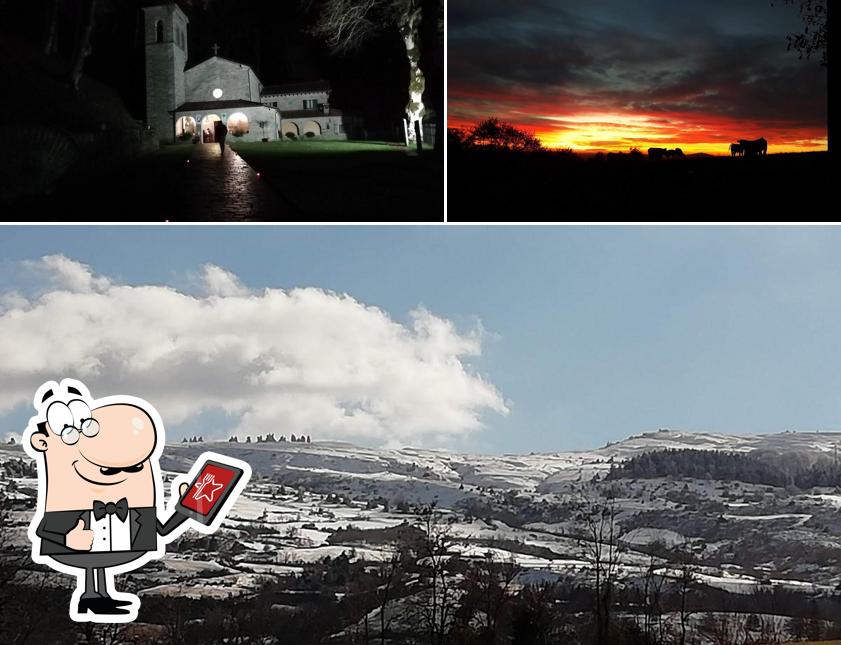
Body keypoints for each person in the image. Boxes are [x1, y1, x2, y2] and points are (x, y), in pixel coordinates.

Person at [24, 378, 250, 621]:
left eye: (134, 468)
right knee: (93, 563)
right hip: (79, 548)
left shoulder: (136, 513)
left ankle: (97, 596)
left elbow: (162, 530)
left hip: (115, 547)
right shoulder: (66, 509)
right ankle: (92, 596)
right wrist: (67, 538)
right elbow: (42, 531)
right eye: (110, 469)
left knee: (97, 564)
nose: (120, 473)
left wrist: (188, 507)